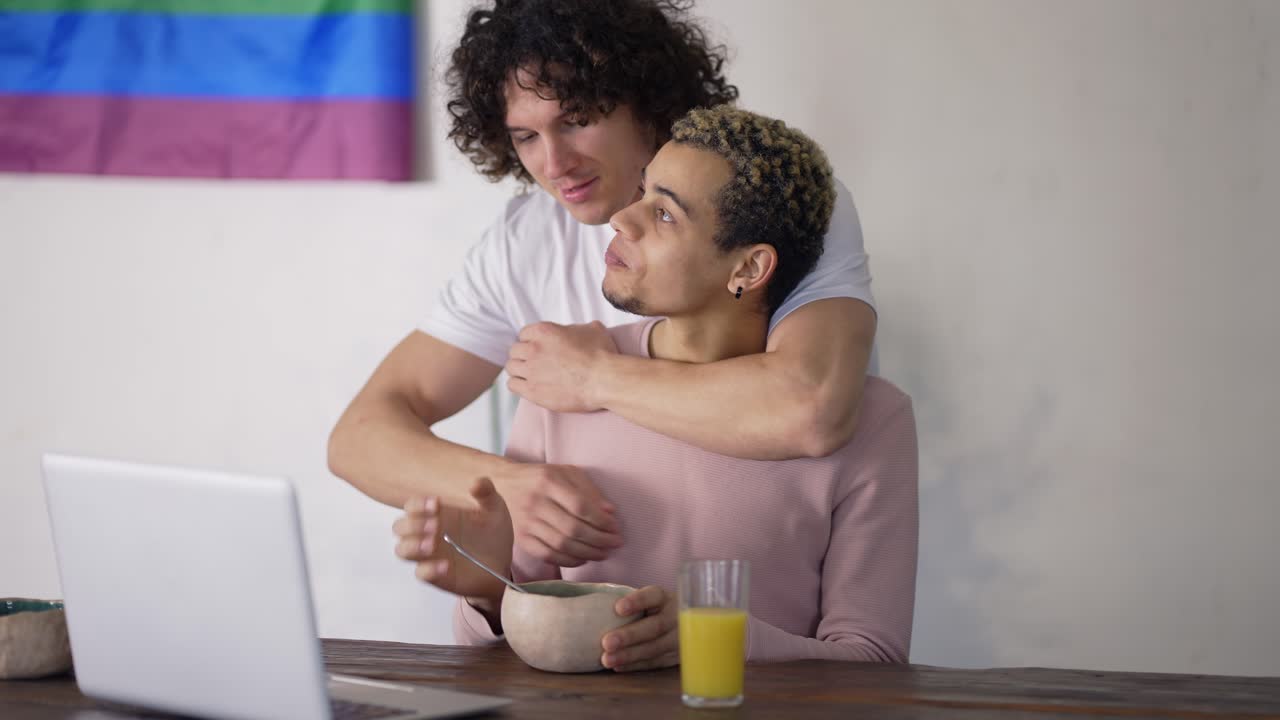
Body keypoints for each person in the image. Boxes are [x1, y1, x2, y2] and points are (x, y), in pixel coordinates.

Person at [328, 0, 880, 571]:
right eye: (526, 136)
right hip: (601, 598)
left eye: (575, 121)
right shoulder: (523, 243)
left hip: (760, 580)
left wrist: (591, 377)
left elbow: (811, 407)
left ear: (646, 102)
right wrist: (508, 486)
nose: (554, 164)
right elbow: (359, 437)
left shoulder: (776, 205)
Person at [393, 106, 918, 671]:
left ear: (747, 269)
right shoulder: (558, 378)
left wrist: (714, 639)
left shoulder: (875, 420)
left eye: (665, 213)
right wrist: (487, 591)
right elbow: (495, 653)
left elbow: (873, 660)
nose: (622, 217)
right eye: (643, 192)